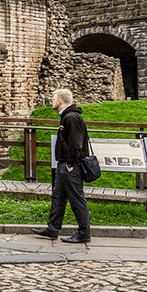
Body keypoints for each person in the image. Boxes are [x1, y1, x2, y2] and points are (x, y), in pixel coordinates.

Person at [30, 87, 91, 244]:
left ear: (59, 101)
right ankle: (53, 228)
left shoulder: (71, 118)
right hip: (64, 164)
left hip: (70, 165)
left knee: (77, 198)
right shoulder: (68, 117)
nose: (51, 102)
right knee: (58, 197)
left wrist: (70, 163)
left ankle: (84, 233)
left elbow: (75, 144)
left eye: (53, 99)